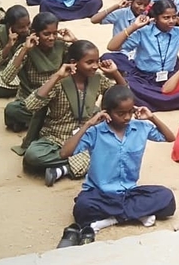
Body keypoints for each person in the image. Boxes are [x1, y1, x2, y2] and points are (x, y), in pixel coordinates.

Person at [57, 86, 177, 247]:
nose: (127, 117)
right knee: (83, 207)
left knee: (166, 197)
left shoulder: (140, 128)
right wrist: (88, 124)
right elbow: (65, 153)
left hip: (129, 192)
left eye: (129, 112)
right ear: (107, 112)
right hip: (100, 194)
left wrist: (152, 117)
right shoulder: (96, 132)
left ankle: (111, 219)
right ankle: (136, 214)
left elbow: (170, 138)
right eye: (120, 113)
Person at [21, 40, 126, 187]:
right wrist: (56, 76)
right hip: (56, 137)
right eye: (89, 62)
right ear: (73, 62)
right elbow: (30, 105)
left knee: (118, 147)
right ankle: (84, 161)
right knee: (33, 156)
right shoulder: (59, 81)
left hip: (87, 135)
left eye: (97, 61)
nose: (95, 66)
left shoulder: (98, 80)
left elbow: (124, 97)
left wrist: (115, 73)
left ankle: (63, 169)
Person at [105, 0, 179, 111]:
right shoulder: (143, 32)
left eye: (174, 17)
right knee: (130, 87)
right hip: (144, 79)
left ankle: (155, 101)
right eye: (166, 18)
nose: (171, 21)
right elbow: (112, 47)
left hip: (170, 79)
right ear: (155, 18)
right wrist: (134, 27)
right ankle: (164, 101)